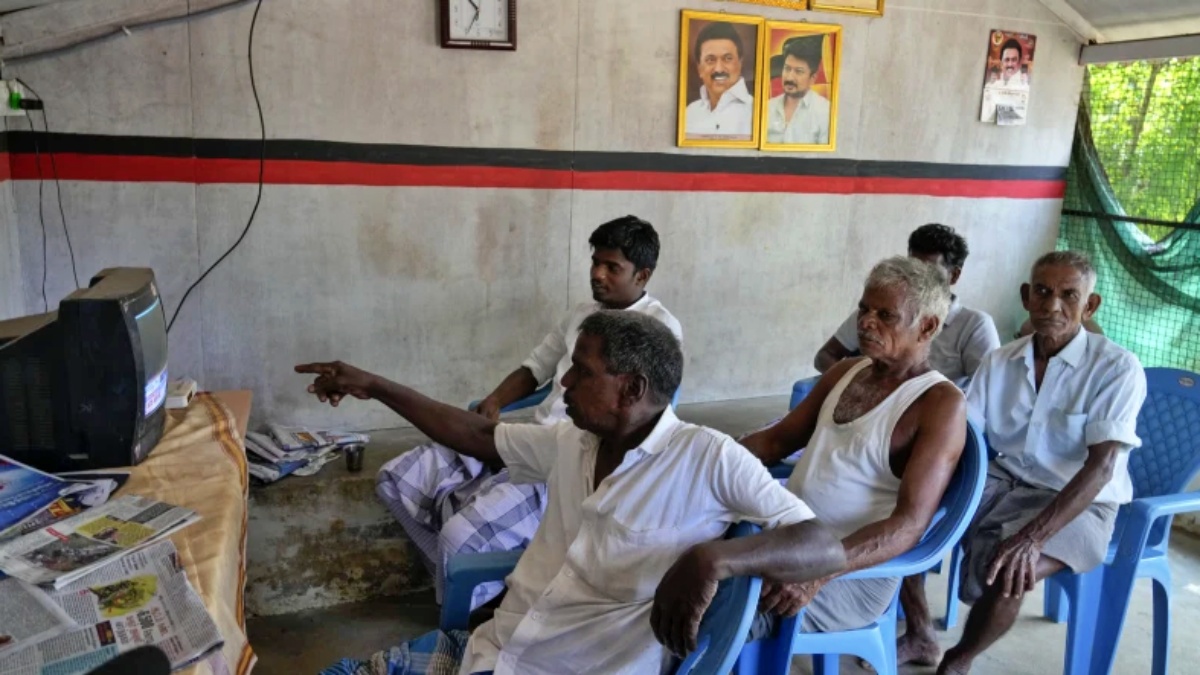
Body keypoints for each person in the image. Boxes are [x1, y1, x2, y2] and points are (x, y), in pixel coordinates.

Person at [301, 311, 847, 675]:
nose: (562, 386)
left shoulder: (706, 457)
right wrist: (373, 385)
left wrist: (712, 559)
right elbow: (474, 434)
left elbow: (822, 545)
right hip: (494, 650)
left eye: (580, 374)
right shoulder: (573, 441)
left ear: (631, 388)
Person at [377, 215, 682, 610]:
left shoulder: (659, 330)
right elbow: (534, 368)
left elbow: (647, 417)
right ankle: (472, 584)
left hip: (562, 461)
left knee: (458, 537)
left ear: (642, 275)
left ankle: (463, 609)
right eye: (595, 262)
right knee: (397, 479)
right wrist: (495, 401)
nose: (597, 274)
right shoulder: (580, 315)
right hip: (527, 438)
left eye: (612, 268)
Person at [896, 251, 1147, 674]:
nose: (1052, 306)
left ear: (1090, 306)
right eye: (1044, 292)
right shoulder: (1001, 361)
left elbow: (1101, 469)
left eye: (1069, 295)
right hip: (1003, 478)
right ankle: (921, 631)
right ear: (1027, 296)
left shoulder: (1116, 369)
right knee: (904, 517)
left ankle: (959, 660)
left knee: (1014, 566)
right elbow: (963, 434)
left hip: (1082, 500)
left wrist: (1031, 537)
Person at [742, 256, 968, 635]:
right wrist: (705, 458)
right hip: (790, 541)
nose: (865, 322)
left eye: (886, 315)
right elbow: (777, 440)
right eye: (864, 309)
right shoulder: (846, 371)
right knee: (669, 565)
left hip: (848, 576)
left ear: (927, 326)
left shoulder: (940, 404)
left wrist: (822, 569)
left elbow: (909, 526)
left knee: (709, 614)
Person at [815, 224, 1000, 390]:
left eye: (930, 272)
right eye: (912, 267)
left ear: (954, 276)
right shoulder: (871, 314)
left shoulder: (973, 325)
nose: (917, 279)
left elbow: (987, 392)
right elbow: (826, 355)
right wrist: (855, 386)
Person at [684, 22, 754, 140]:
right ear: (699, 68)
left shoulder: (756, 111)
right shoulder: (689, 113)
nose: (719, 68)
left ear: (740, 63)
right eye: (710, 60)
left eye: (727, 59)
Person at [766, 35, 830, 145]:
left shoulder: (825, 111)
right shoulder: (767, 107)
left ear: (813, 78)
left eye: (799, 71)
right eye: (787, 69)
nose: (789, 77)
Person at [981, 38, 1031, 124]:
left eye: (1014, 60)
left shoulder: (1025, 86)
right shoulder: (991, 85)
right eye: (1007, 60)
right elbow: (985, 115)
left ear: (1019, 62)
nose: (1010, 64)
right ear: (1001, 62)